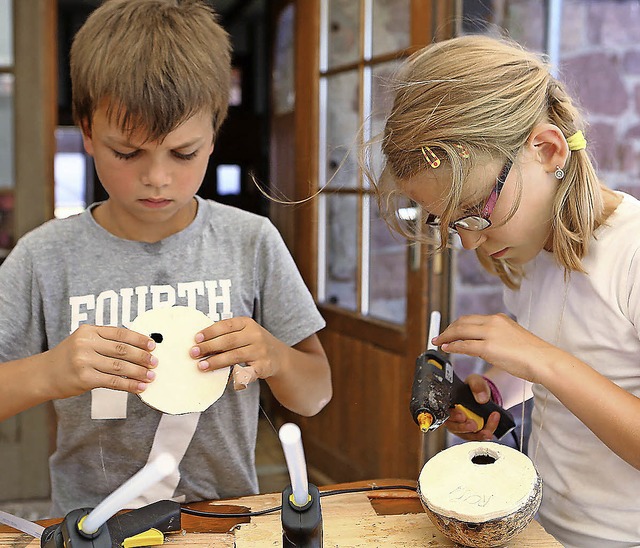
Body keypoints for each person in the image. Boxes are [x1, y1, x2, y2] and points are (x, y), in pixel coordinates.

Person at [0, 0, 331, 517]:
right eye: (128, 153)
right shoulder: (44, 257)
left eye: (183, 153)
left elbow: (315, 394)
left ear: (214, 132)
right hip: (93, 524)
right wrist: (49, 372)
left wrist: (274, 355)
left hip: (225, 520)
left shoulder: (251, 240)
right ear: (86, 130)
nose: (157, 178)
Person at [366, 34, 640, 547]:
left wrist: (541, 360)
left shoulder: (631, 256)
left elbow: (554, 364)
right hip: (542, 527)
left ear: (546, 149)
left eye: (473, 211)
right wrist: (496, 391)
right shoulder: (531, 253)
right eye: (448, 223)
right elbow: (552, 371)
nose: (468, 240)